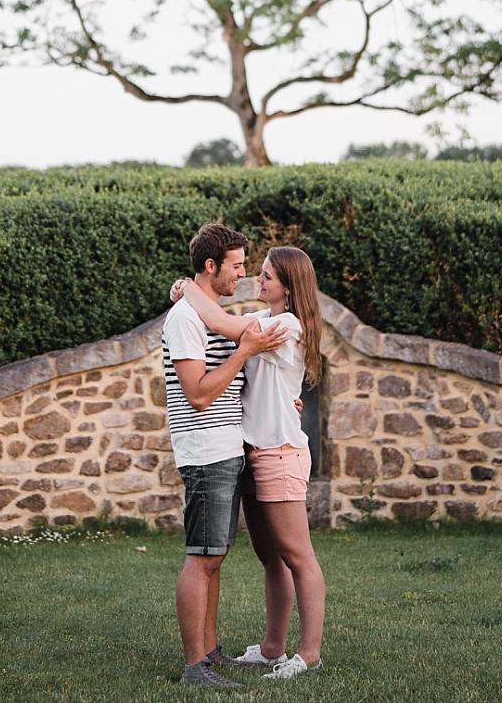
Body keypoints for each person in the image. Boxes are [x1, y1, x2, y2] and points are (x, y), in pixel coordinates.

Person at [175, 246, 328, 680]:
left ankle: (309, 654)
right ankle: (272, 648)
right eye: (256, 273)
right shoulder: (265, 321)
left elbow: (222, 323)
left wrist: (188, 287)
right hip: (254, 452)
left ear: (288, 286)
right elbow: (226, 328)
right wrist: (189, 294)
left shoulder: (286, 325)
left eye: (266, 277)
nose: (256, 281)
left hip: (279, 452)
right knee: (271, 558)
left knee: (298, 556)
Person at [164, 223, 288, 691]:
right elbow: (197, 393)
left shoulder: (207, 310)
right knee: (203, 557)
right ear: (211, 266)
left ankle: (210, 652)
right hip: (205, 452)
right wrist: (245, 352)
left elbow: (241, 381)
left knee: (216, 556)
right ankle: (196, 667)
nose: (243, 275)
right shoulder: (184, 319)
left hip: (226, 447)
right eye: (237, 266)